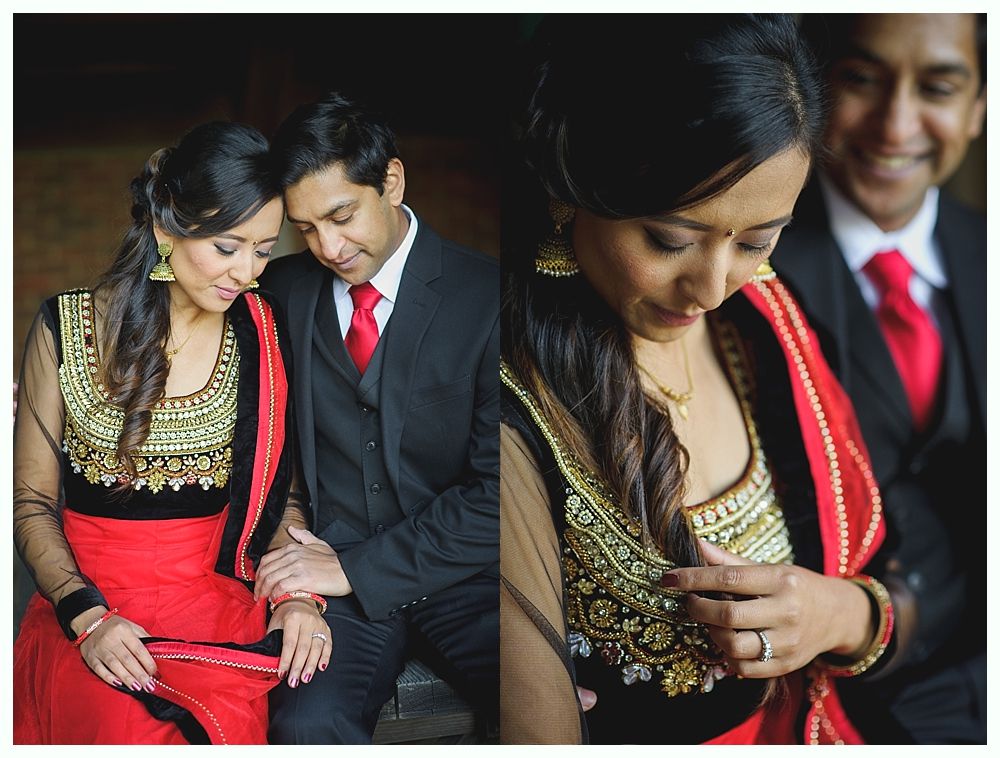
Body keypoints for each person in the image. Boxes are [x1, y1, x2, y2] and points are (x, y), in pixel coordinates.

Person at [500, 15, 900, 744]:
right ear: (575, 186)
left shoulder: (768, 321)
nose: (713, 289)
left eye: (757, 242)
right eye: (670, 240)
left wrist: (841, 614)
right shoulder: (507, 402)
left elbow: (913, 556)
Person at [12, 121, 331, 745]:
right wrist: (87, 617)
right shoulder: (65, 327)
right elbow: (31, 502)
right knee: (117, 724)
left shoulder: (261, 331)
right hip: (91, 604)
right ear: (167, 230)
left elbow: (280, 495)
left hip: (217, 604)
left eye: (263, 251)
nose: (245, 272)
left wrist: (296, 596)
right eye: (227, 246)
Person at [254, 93, 500, 744]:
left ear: (391, 182)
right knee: (304, 722)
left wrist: (360, 569)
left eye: (341, 216)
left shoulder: (489, 299)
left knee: (545, 697)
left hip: (467, 576)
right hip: (325, 571)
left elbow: (500, 497)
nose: (328, 247)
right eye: (306, 228)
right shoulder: (279, 292)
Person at [776, 14, 986, 744]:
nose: (896, 126)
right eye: (862, 80)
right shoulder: (747, 259)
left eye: (938, 88)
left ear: (979, 107)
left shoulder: (986, 249)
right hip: (841, 697)